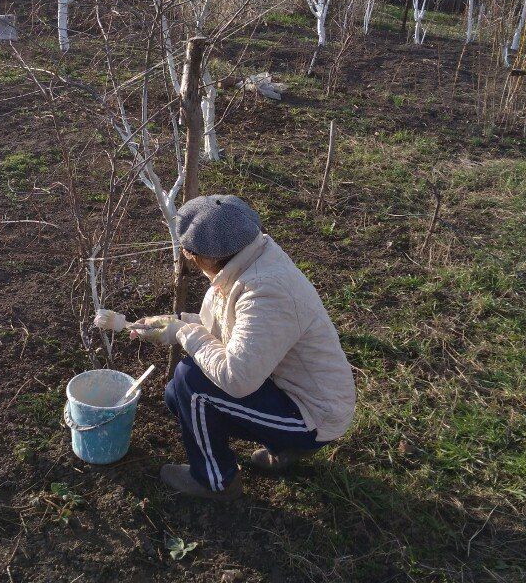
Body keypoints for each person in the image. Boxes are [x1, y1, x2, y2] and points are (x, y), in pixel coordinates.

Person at [124, 195, 356, 500]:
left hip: (316, 413)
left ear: (207, 256)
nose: (186, 255)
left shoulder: (266, 291)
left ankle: (215, 481)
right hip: (286, 387)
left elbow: (236, 377)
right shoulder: (249, 261)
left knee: (190, 384)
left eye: (190, 251)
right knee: (176, 396)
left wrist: (184, 333)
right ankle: (286, 446)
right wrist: (172, 326)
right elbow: (231, 331)